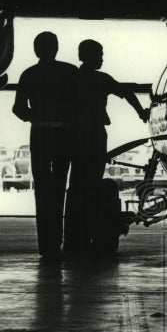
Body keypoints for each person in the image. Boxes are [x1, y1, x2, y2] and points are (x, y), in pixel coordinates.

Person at [63, 39, 149, 259]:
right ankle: (94, 229)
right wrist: (141, 113)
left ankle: (74, 238)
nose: (102, 58)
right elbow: (127, 93)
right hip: (95, 135)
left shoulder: (72, 78)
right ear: (89, 56)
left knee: (77, 185)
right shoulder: (102, 79)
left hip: (74, 136)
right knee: (93, 181)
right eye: (99, 54)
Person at [12, 32, 78, 262]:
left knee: (42, 188)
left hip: (40, 133)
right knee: (60, 185)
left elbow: (18, 108)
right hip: (64, 133)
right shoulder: (70, 72)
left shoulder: (29, 74)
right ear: (57, 47)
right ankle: (57, 242)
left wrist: (35, 117)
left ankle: (46, 245)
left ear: (35, 49)